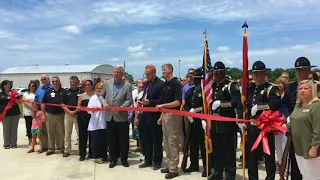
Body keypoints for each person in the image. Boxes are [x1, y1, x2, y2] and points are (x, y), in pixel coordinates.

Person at [283, 57, 316, 180]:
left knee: (311, 164)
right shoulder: (290, 87)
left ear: (309, 70)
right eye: (297, 70)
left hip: (310, 131)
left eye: (302, 70)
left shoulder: (316, 87)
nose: (300, 73)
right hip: (294, 131)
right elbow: (285, 104)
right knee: (295, 162)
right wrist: (288, 117)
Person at [247, 61, 281, 180]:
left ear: (264, 73)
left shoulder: (272, 88)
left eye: (259, 73)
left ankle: (270, 177)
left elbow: (275, 103)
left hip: (266, 126)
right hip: (252, 125)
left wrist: (259, 107)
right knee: (251, 155)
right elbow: (245, 104)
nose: (257, 76)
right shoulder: (250, 88)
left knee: (268, 154)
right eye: (255, 73)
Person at [209, 61, 242, 180]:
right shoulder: (212, 85)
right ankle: (217, 173)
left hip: (227, 123)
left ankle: (230, 175)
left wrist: (221, 104)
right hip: (215, 123)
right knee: (217, 150)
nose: (217, 75)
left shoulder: (231, 85)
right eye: (215, 73)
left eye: (219, 73)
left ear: (224, 73)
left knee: (229, 151)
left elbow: (235, 102)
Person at [101, 66, 133, 168]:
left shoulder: (127, 85)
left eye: (118, 72)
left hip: (121, 116)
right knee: (111, 139)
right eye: (115, 72)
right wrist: (104, 102)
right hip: (110, 116)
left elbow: (129, 100)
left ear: (122, 74)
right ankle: (113, 159)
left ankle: (124, 159)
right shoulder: (107, 83)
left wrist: (121, 108)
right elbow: (101, 95)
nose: (116, 74)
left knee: (123, 139)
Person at [156, 63, 182, 179]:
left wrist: (163, 105)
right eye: (162, 69)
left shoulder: (176, 83)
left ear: (171, 70)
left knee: (173, 142)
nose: (163, 71)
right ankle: (170, 164)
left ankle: (174, 169)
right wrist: (161, 115)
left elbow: (177, 102)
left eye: (164, 69)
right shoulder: (166, 84)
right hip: (165, 114)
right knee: (166, 142)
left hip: (173, 115)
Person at [183, 67, 211, 177]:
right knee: (193, 144)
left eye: (197, 78)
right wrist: (189, 112)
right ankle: (194, 164)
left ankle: (206, 167)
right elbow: (187, 104)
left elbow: (207, 105)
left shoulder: (205, 91)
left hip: (202, 121)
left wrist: (195, 111)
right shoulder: (191, 90)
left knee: (203, 145)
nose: (195, 80)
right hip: (193, 121)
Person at [137, 64, 164, 170]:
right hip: (145, 114)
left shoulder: (160, 84)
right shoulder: (147, 83)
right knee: (145, 138)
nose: (146, 76)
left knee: (156, 139)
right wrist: (142, 100)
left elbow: (162, 100)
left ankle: (157, 161)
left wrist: (150, 102)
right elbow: (146, 95)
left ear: (154, 73)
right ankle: (147, 159)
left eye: (148, 74)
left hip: (154, 115)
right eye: (145, 74)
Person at [41, 76, 66, 156]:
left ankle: (61, 147)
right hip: (50, 114)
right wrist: (43, 114)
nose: (55, 83)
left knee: (61, 132)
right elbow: (43, 103)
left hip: (61, 114)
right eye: (53, 81)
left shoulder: (63, 91)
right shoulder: (48, 91)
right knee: (50, 132)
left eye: (56, 81)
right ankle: (51, 148)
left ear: (59, 82)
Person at [61, 76, 82, 157]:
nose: (72, 84)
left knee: (79, 133)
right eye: (71, 82)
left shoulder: (81, 91)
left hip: (78, 114)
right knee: (67, 133)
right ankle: (67, 150)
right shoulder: (66, 92)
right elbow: (62, 104)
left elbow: (82, 103)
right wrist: (69, 112)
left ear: (77, 82)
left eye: (74, 82)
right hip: (68, 114)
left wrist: (76, 111)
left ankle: (81, 149)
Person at [87, 82, 107, 164]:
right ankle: (96, 156)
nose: (99, 90)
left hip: (104, 122)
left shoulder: (106, 98)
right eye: (98, 88)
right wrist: (93, 109)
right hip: (95, 123)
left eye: (101, 88)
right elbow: (88, 110)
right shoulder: (93, 98)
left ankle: (104, 155)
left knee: (104, 141)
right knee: (96, 141)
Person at [0, 80, 21, 149]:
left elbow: (19, 102)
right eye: (5, 84)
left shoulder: (14, 93)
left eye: (8, 84)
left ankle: (13, 143)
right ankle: (6, 143)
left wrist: (14, 98)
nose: (7, 86)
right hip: (5, 114)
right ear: (3, 86)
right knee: (6, 129)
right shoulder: (1, 94)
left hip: (15, 113)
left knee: (14, 129)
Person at [35, 74, 53, 151]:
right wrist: (35, 111)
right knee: (43, 130)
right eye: (42, 79)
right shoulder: (39, 90)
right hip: (41, 112)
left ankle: (56, 145)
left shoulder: (53, 87)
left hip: (52, 111)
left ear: (48, 79)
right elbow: (36, 101)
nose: (43, 81)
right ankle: (45, 146)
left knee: (53, 129)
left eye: (45, 79)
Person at [77, 80, 94, 161]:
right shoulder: (81, 96)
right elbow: (78, 107)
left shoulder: (95, 95)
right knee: (82, 136)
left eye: (89, 85)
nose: (87, 86)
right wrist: (78, 108)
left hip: (92, 117)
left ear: (91, 86)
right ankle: (82, 154)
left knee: (92, 136)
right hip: (82, 117)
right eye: (86, 85)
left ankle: (92, 153)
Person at [275, 77, 289, 172]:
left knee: (285, 146)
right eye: (278, 83)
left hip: (284, 121)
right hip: (276, 121)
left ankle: (286, 166)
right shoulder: (275, 94)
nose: (279, 85)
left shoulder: (288, 95)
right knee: (278, 146)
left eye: (281, 83)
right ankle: (280, 165)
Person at [22, 81, 38, 145]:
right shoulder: (26, 94)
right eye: (30, 86)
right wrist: (32, 109)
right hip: (27, 113)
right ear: (28, 86)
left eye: (33, 86)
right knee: (28, 127)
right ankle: (30, 140)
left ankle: (35, 139)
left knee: (35, 127)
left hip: (36, 113)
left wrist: (35, 110)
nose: (31, 87)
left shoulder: (37, 93)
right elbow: (25, 102)